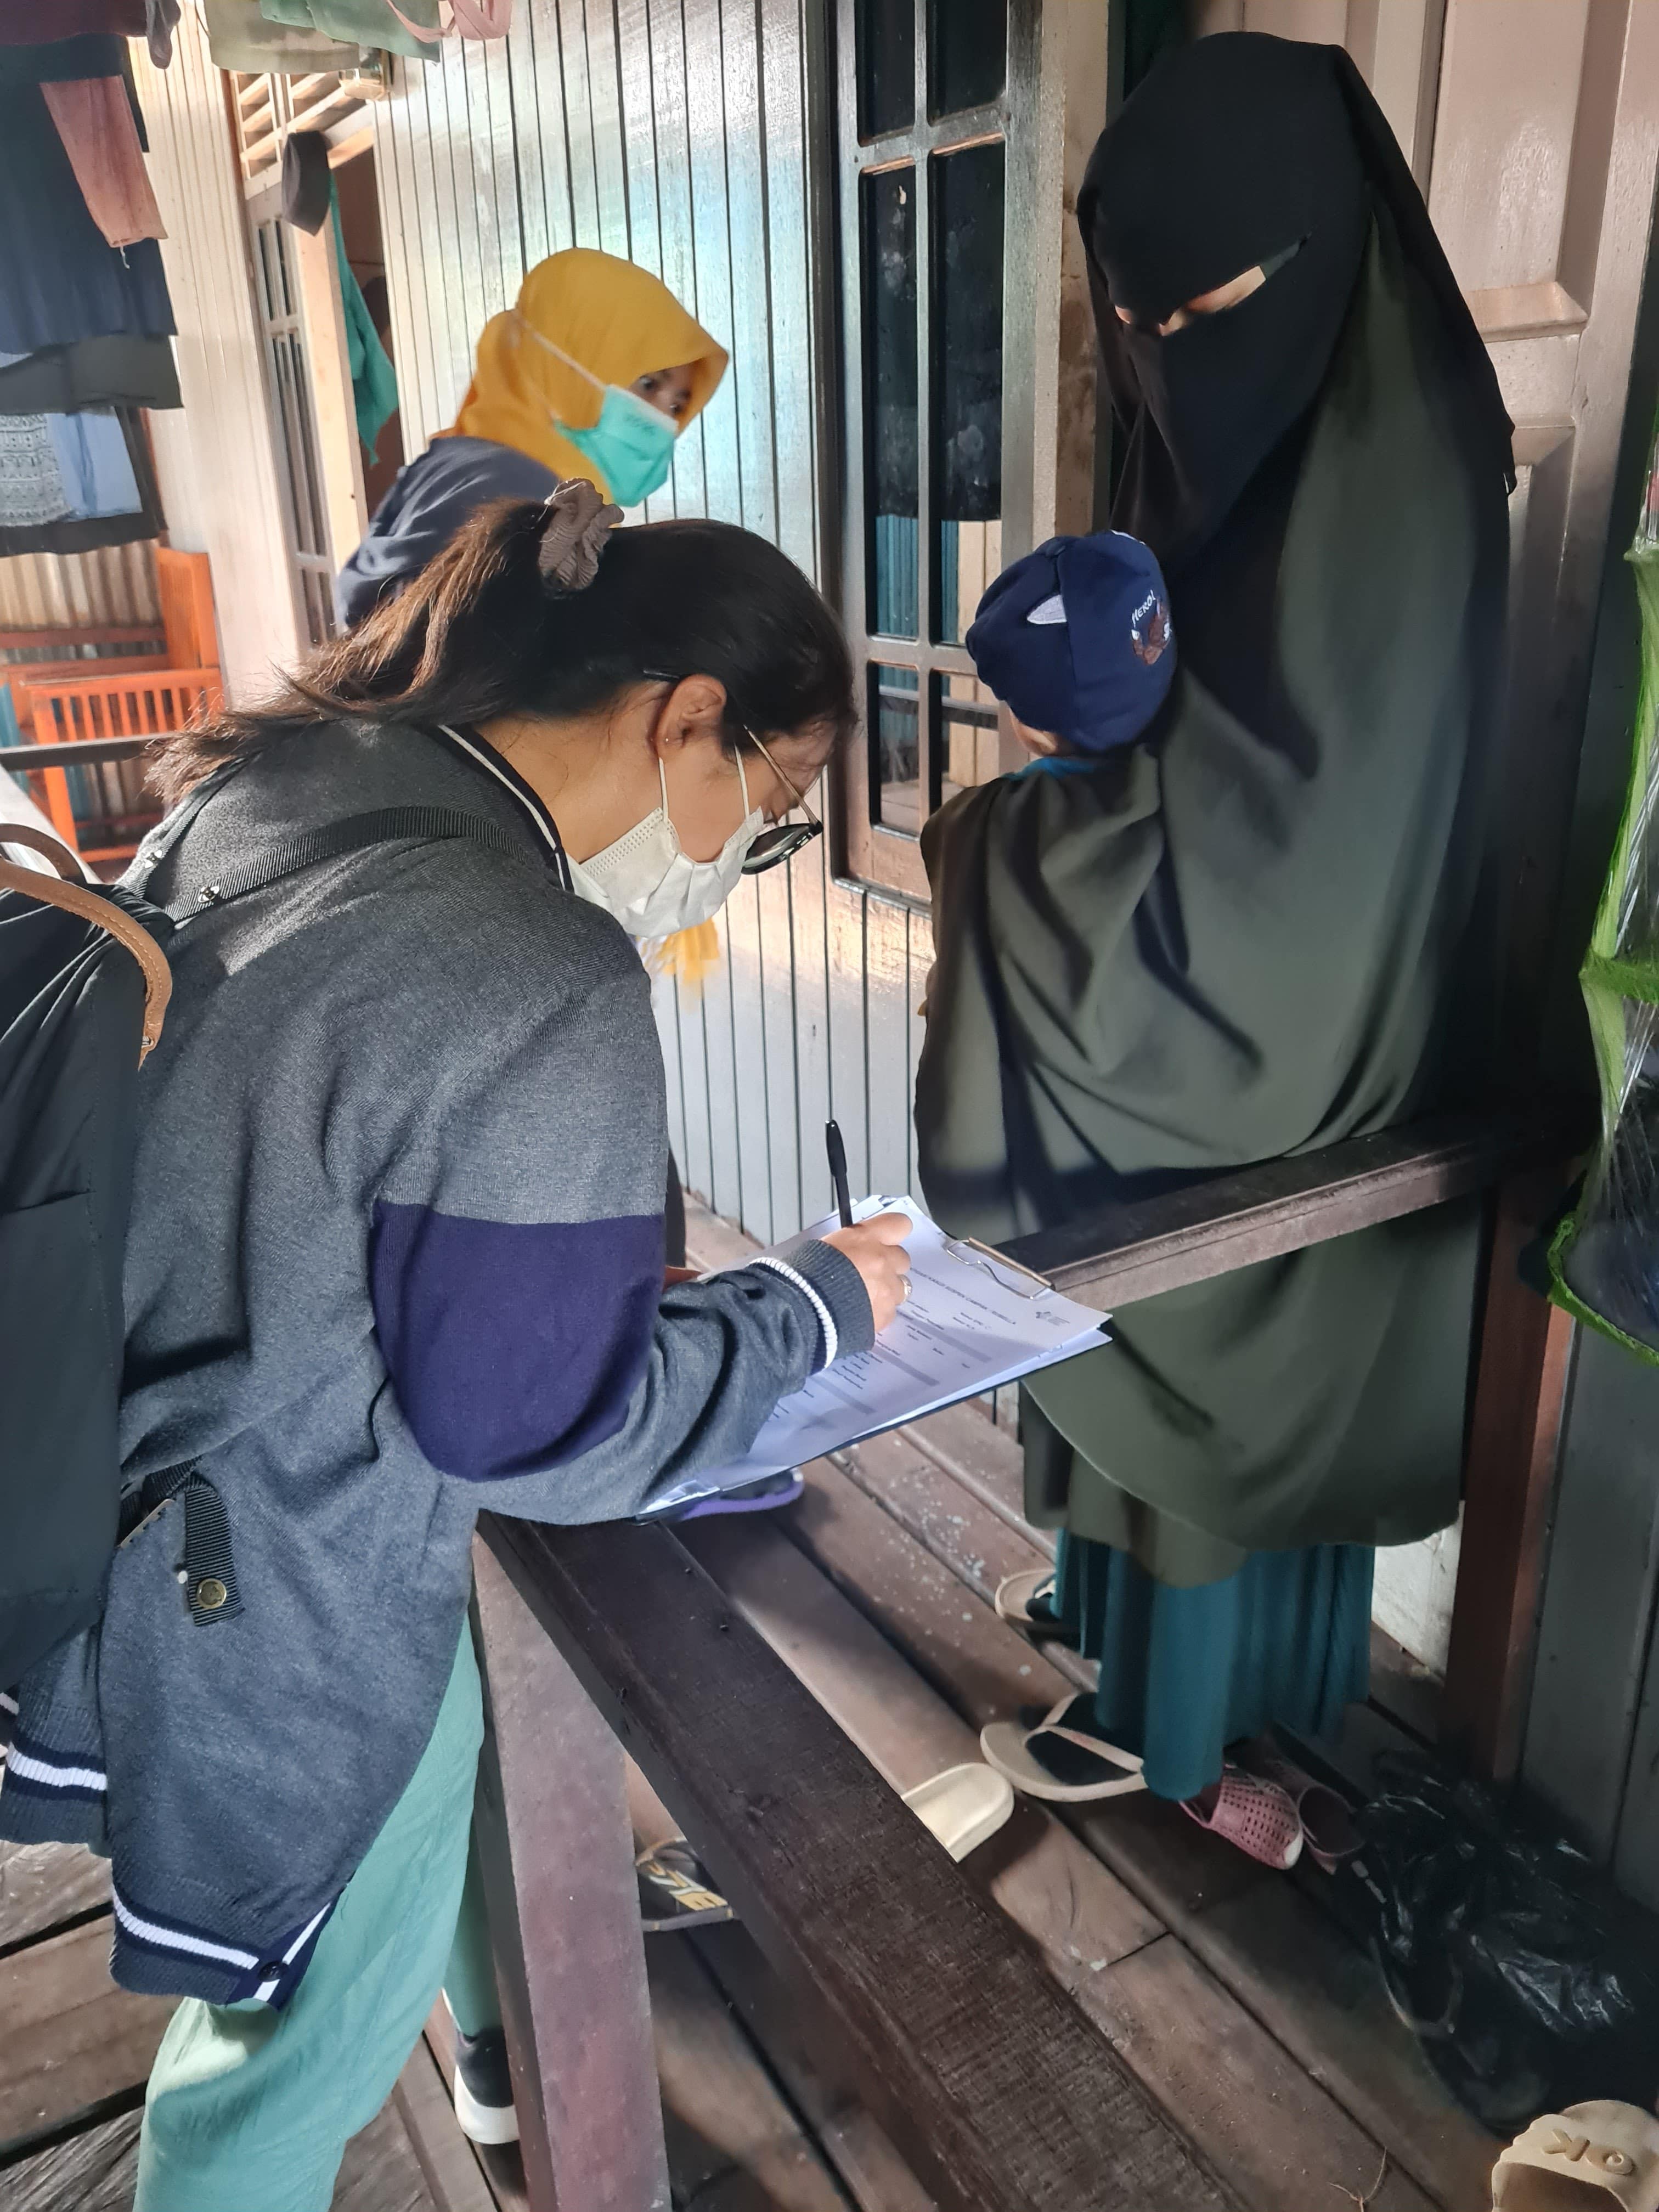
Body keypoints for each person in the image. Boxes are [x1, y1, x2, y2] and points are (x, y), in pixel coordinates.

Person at [0, 480, 911, 2211]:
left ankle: (494, 2059)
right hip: (274, 1582)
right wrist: (810, 1306)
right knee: (289, 2073)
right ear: (685, 719)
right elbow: (539, 1433)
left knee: (402, 1864)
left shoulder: (295, 779)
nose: (751, 852)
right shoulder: (534, 965)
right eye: (775, 807)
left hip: (113, 1442)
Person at [915, 32, 1513, 1823]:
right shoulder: (1248, 420)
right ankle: (1108, 1616)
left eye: (1205, 311)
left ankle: (1174, 1718)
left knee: (1197, 1245)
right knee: (1130, 1237)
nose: (1168, 356)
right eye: (1139, 322)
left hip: (1301, 1013)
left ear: (1316, 248)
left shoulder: (1393, 490)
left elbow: (1293, 858)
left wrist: (1011, 846)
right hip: (1236, 945)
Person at [334, 246, 728, 629]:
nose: (660, 418)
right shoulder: (524, 494)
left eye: (677, 405)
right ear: (562, 363)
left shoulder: (469, 454)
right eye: (648, 384)